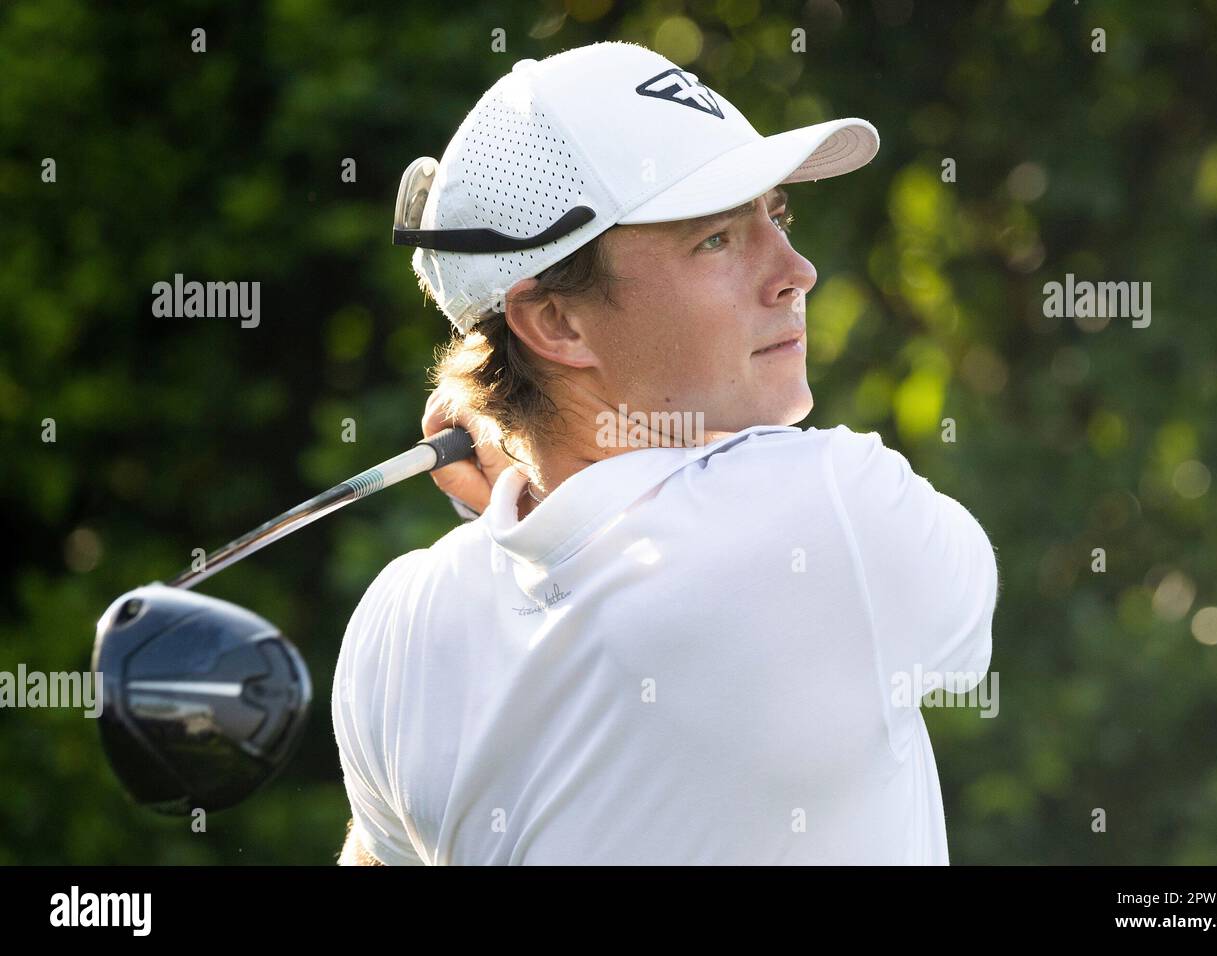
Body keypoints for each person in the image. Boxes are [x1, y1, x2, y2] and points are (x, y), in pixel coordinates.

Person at [332, 40, 998, 865]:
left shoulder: (399, 628)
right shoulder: (832, 510)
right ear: (557, 323)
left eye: (775, 217)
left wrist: (527, 486)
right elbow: (963, 635)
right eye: (716, 239)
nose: (797, 271)